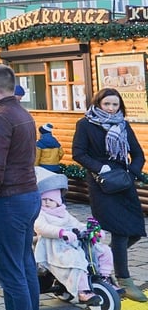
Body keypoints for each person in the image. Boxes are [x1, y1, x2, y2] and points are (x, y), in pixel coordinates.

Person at [0, 64, 40, 310]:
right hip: (27, 195)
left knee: (10, 272)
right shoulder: (22, 113)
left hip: (8, 200)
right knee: (24, 264)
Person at [72, 87, 147, 302]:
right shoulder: (85, 124)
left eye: (115, 104)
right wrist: (99, 168)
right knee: (120, 231)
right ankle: (125, 280)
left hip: (122, 181)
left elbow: (138, 154)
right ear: (98, 104)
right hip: (101, 183)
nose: (111, 108)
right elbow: (78, 153)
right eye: (107, 104)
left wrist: (131, 174)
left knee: (135, 229)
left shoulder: (122, 124)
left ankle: (102, 258)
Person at [33, 167, 111, 305]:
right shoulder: (40, 213)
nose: (46, 203)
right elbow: (41, 227)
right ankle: (83, 290)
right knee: (77, 260)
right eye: (43, 199)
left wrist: (91, 230)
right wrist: (61, 232)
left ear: (58, 200)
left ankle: (105, 277)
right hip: (54, 248)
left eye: (50, 200)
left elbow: (76, 224)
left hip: (72, 245)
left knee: (103, 250)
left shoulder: (63, 213)